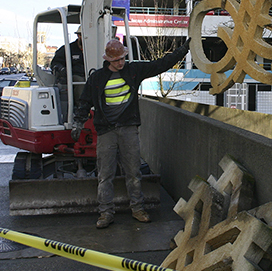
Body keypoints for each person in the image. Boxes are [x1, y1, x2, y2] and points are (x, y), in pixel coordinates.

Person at [72, 37, 190, 229]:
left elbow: (159, 65)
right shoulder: (97, 78)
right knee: (105, 174)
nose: (120, 63)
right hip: (106, 130)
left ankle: (137, 209)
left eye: (122, 59)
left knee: (134, 172)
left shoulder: (133, 71)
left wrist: (182, 51)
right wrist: (78, 122)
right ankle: (105, 213)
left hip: (128, 128)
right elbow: (85, 102)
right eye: (117, 60)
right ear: (108, 60)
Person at [51, 26, 85, 103]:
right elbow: (55, 63)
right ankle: (81, 106)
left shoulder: (95, 48)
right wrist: (61, 69)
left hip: (91, 74)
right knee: (80, 82)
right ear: (79, 36)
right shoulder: (68, 49)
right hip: (74, 76)